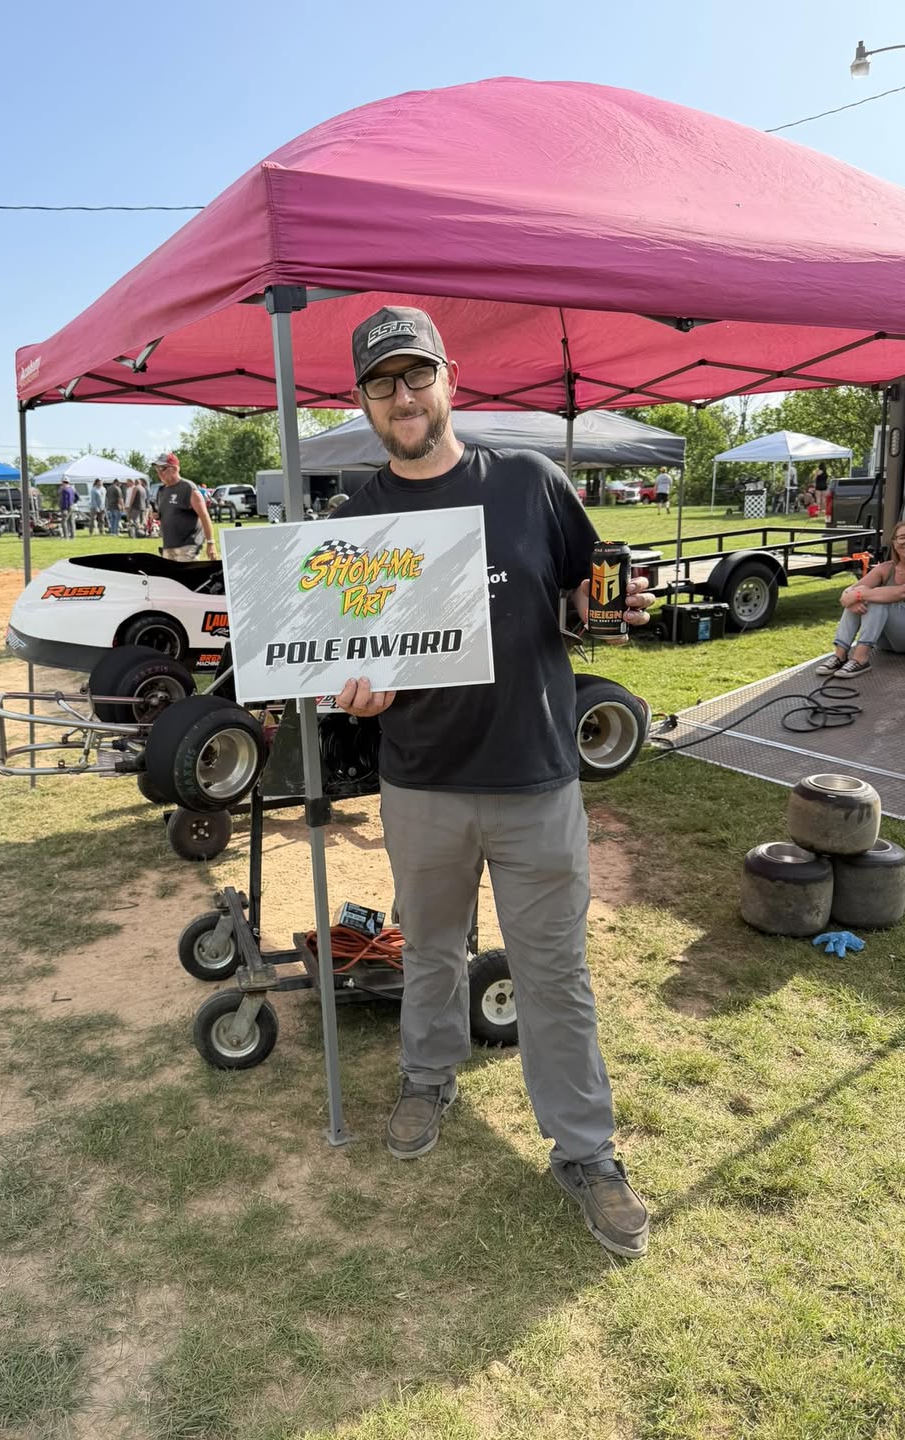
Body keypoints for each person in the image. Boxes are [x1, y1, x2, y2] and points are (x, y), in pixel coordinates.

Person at [331, 307, 655, 1258]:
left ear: (450, 380)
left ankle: (586, 1151)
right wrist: (352, 692)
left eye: (416, 375)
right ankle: (428, 1078)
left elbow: (583, 593)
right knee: (430, 952)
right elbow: (340, 654)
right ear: (364, 402)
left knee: (554, 974)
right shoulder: (352, 522)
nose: (403, 397)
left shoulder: (528, 482)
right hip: (421, 782)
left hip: (535, 780)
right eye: (382, 384)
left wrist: (610, 607)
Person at [816, 519, 905, 676]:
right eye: (902, 537)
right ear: (894, 543)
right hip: (885, 641)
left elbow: (903, 593)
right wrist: (853, 598)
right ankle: (840, 655)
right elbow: (847, 593)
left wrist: (859, 595)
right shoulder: (886, 568)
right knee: (868, 595)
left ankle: (860, 658)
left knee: (877, 596)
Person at [151, 453, 218, 562]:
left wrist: (211, 543)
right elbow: (169, 512)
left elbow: (204, 516)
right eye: (157, 469)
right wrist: (157, 515)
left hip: (188, 546)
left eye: (162, 468)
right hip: (168, 545)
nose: (159, 472)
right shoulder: (162, 490)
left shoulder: (188, 488)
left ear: (174, 469)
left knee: (186, 573)